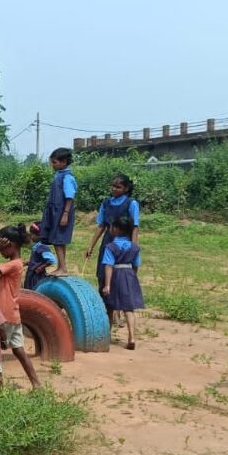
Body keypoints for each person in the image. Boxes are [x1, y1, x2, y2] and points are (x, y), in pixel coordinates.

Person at [0, 224, 41, 389]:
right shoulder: (16, 263)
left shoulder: (14, 264)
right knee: (19, 351)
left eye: (2, 247)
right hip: (13, 314)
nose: (1, 251)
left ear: (11, 245)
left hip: (3, 314)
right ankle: (36, 385)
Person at [86, 174, 140, 319]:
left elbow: (135, 227)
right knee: (103, 273)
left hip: (124, 243)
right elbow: (101, 225)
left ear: (126, 188)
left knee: (122, 276)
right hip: (108, 242)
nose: (114, 189)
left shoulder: (131, 203)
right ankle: (106, 309)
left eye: (118, 187)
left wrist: (133, 247)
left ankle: (119, 309)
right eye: (113, 186)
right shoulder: (106, 203)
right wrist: (91, 245)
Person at [100, 216, 144, 350]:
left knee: (110, 307)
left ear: (117, 229)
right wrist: (133, 277)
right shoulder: (134, 247)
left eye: (112, 227)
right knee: (129, 309)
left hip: (115, 275)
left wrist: (107, 285)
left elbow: (108, 265)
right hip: (129, 274)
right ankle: (132, 337)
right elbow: (136, 264)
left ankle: (107, 336)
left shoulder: (111, 246)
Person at [39, 148, 76, 276]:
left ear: (63, 162)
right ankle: (61, 266)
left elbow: (69, 196)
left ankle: (63, 268)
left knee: (58, 240)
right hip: (55, 212)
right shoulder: (59, 175)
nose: (52, 165)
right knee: (57, 239)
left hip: (61, 213)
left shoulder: (67, 177)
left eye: (54, 162)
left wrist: (65, 214)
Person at [24, 221, 57, 290]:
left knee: (35, 290)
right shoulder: (37, 246)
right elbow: (37, 259)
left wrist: (41, 267)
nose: (31, 237)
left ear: (39, 235)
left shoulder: (42, 247)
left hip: (37, 275)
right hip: (31, 274)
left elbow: (51, 259)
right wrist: (28, 263)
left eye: (32, 234)